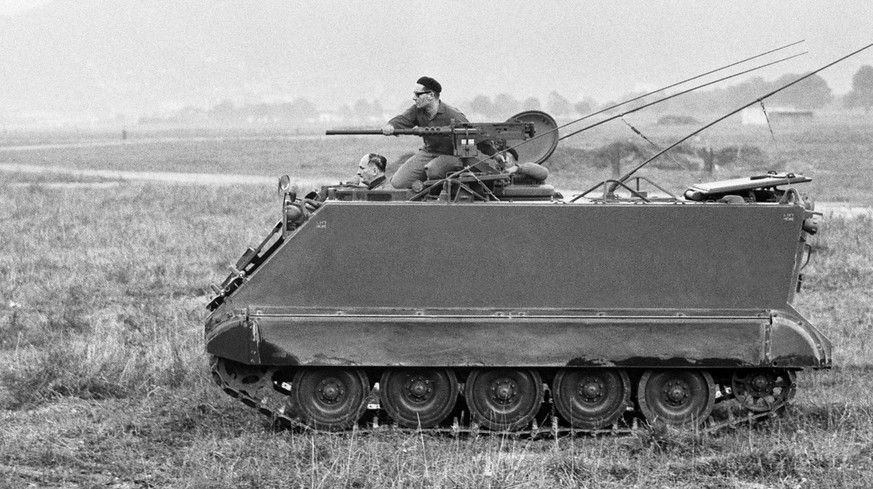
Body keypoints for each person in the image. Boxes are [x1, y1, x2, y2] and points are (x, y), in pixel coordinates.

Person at [382, 76, 472, 188]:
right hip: (428, 152)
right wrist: (391, 125)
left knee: (433, 170)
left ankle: (437, 193)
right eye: (414, 94)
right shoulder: (417, 110)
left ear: (431, 95)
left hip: (452, 155)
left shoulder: (453, 115)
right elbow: (403, 120)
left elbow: (471, 137)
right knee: (398, 183)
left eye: (418, 94)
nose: (414, 98)